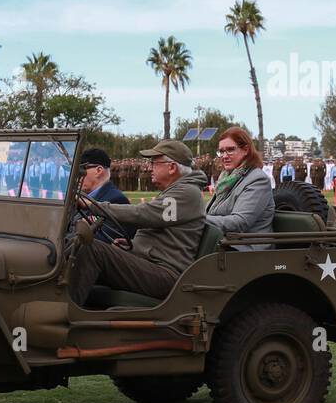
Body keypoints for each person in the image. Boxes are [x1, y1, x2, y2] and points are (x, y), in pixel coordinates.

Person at [67, 141, 209, 308]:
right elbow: (159, 230)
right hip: (153, 266)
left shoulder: (187, 192)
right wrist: (132, 246)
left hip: (166, 274)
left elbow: (143, 213)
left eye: (154, 163)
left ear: (172, 167)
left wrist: (93, 206)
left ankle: (63, 312)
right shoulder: (177, 190)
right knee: (76, 245)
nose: (149, 168)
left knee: (92, 249)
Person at [205, 128, 274, 249]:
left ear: (246, 150)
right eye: (221, 151)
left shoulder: (257, 179)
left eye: (230, 150)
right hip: (223, 241)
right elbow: (210, 211)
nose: (224, 156)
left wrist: (196, 219)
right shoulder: (226, 179)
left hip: (244, 248)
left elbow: (239, 222)